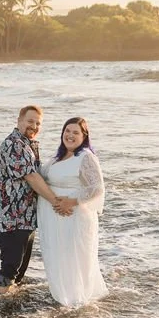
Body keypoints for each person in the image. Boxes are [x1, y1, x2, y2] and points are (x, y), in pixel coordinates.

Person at [0, 105, 74, 291]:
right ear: (19, 121)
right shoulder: (14, 144)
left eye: (38, 123)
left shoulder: (28, 144)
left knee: (19, 270)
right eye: (30, 121)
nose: (34, 126)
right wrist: (56, 202)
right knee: (11, 267)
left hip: (26, 217)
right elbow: (32, 177)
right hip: (11, 216)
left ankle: (9, 307)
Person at [37, 117, 108, 307]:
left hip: (74, 216)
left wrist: (72, 202)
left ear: (84, 136)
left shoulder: (85, 156)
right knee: (59, 254)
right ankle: (63, 297)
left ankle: (76, 301)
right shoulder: (58, 157)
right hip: (54, 217)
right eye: (67, 131)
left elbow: (96, 188)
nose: (70, 135)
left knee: (74, 256)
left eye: (75, 132)